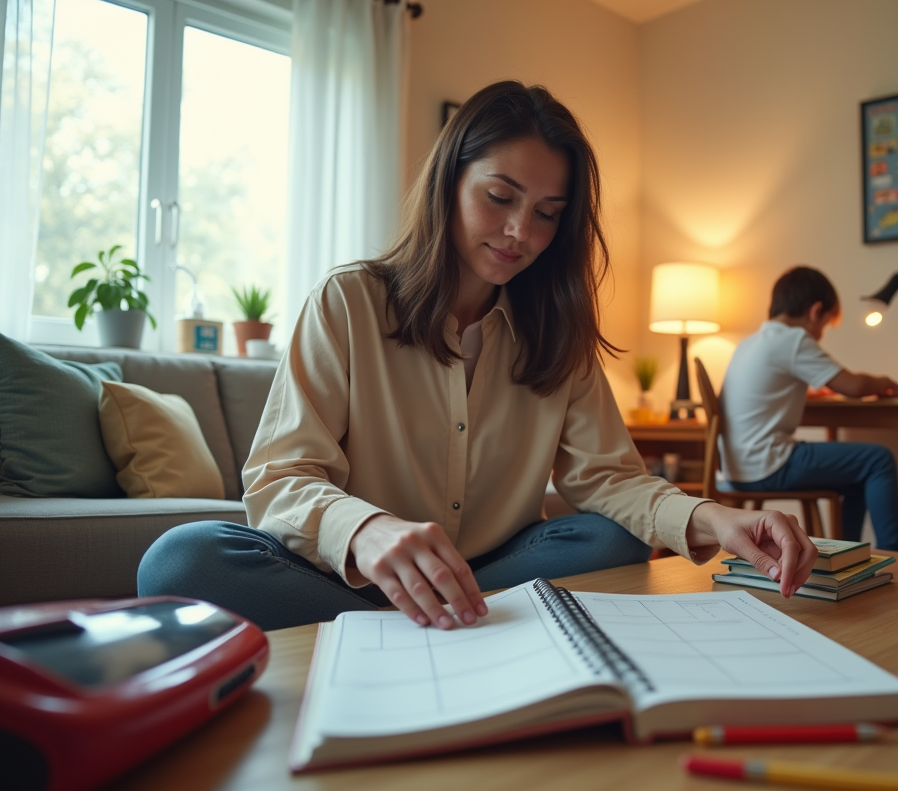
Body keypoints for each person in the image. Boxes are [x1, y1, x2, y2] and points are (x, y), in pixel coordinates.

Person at [138, 81, 817, 631]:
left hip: (487, 571)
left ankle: (384, 630)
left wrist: (713, 518)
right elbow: (280, 477)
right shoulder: (346, 302)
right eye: (500, 197)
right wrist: (367, 530)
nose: (522, 231)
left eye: (549, 213)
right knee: (181, 560)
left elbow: (609, 479)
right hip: (349, 568)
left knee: (610, 540)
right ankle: (423, 624)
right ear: (450, 181)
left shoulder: (558, 332)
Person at [718, 266, 898, 551]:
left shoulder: (749, 343)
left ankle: (848, 554)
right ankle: (896, 553)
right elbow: (853, 386)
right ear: (815, 311)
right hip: (768, 465)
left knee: (858, 473)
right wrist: (885, 381)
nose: (821, 335)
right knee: (877, 459)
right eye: (826, 325)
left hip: (735, 469)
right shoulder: (793, 340)